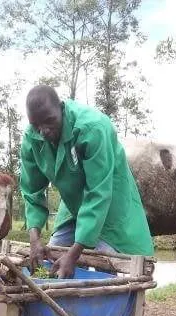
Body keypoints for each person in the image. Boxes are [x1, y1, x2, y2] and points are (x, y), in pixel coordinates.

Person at [19, 85, 154, 279]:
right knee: (52, 256)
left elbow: (98, 192)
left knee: (106, 263)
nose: (43, 131)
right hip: (73, 204)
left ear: (61, 108)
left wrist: (73, 255)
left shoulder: (93, 127)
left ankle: (106, 304)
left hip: (110, 201)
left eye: (49, 122)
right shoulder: (31, 138)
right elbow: (32, 191)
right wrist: (34, 239)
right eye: (36, 125)